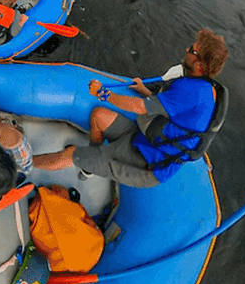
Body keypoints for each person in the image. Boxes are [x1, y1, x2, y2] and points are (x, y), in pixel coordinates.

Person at [33, 29, 228, 188]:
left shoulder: (192, 91)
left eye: (192, 51)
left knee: (71, 154)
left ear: (200, 66)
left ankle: (23, 164)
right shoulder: (203, 88)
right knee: (99, 116)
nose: (187, 49)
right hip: (145, 139)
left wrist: (103, 94)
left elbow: (139, 107)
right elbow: (172, 108)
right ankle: (92, 164)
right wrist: (145, 91)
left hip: (148, 163)